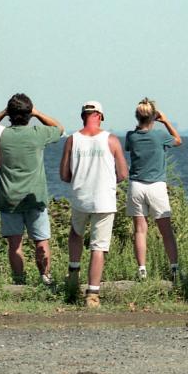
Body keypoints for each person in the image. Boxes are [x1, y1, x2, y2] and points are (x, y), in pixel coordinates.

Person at [0, 94, 64, 287]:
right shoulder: (37, 133)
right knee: (41, 241)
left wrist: (3, 112)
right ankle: (45, 277)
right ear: (29, 114)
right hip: (35, 197)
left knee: (15, 244)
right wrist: (37, 113)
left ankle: (19, 281)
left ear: (11, 114)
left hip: (9, 198)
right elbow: (58, 128)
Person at [59, 101, 127, 308]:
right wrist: (107, 181)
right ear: (100, 116)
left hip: (81, 197)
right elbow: (123, 173)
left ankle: (73, 274)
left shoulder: (72, 139)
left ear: (83, 116)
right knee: (99, 246)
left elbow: (64, 174)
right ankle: (92, 294)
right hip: (104, 200)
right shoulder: (112, 140)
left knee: (76, 233)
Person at [124, 98, 182, 281]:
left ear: (137, 116)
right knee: (166, 230)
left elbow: (131, 142)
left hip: (136, 186)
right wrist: (165, 121)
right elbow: (178, 140)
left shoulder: (130, 136)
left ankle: (142, 269)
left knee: (140, 230)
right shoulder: (159, 136)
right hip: (156, 186)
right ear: (154, 117)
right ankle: (174, 268)